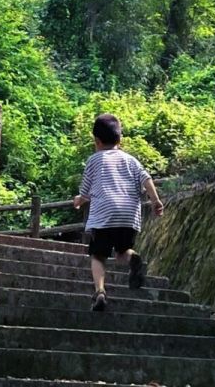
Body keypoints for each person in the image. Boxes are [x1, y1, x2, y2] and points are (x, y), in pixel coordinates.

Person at [73, 112, 164, 311]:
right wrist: (156, 200)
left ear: (96, 141)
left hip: (104, 217)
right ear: (120, 139)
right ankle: (133, 258)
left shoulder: (94, 161)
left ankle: (100, 292)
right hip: (128, 217)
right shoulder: (131, 161)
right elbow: (146, 179)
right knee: (122, 251)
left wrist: (79, 200)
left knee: (98, 256)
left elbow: (85, 191)